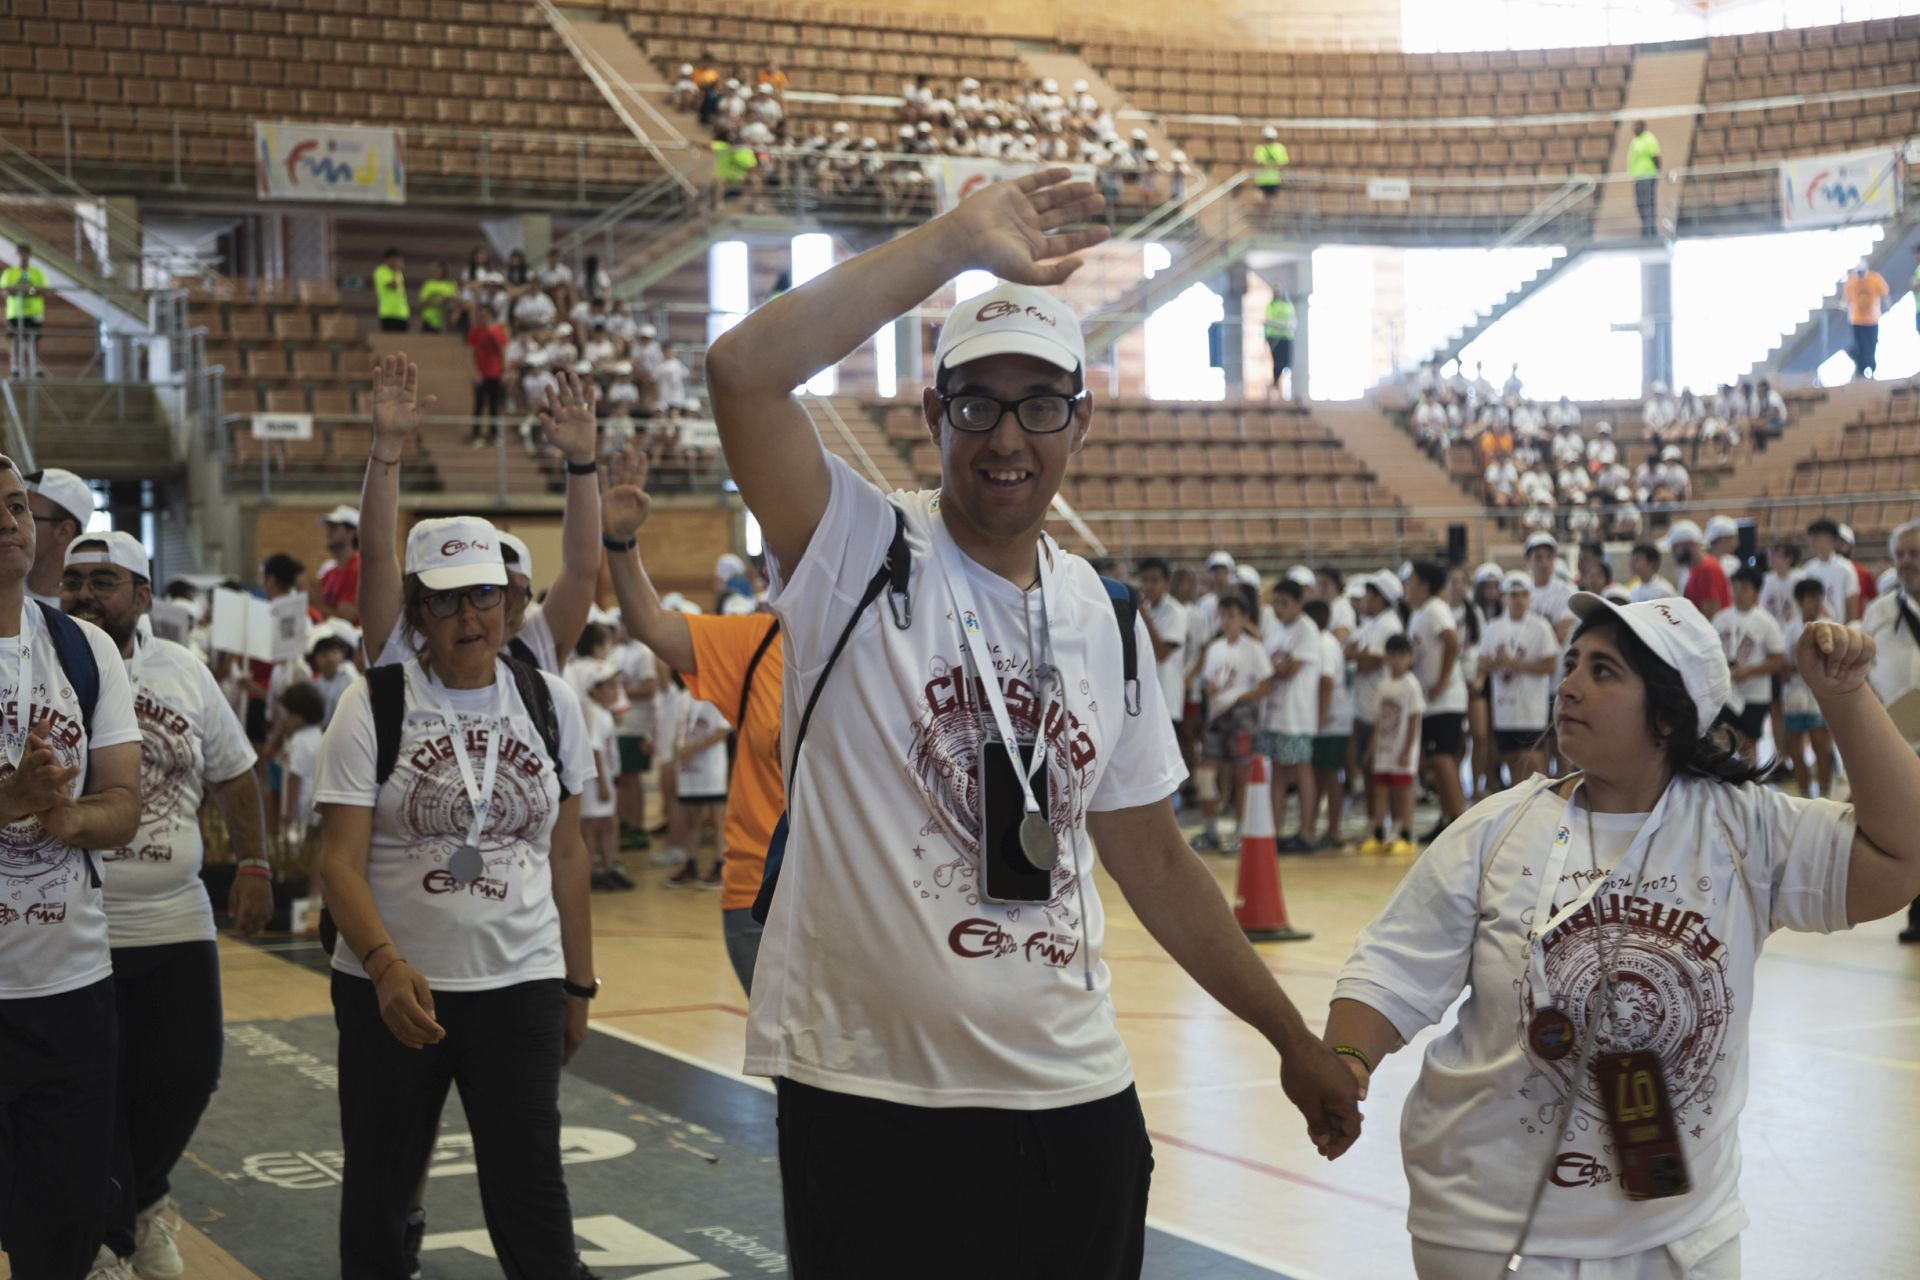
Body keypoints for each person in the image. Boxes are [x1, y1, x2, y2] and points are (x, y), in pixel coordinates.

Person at [704, 169, 1361, 1272]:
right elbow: (742, 371)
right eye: (977, 403)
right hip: (873, 1095)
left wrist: (1288, 1036)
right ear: (934, 415)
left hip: (1072, 1096)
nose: (1007, 437)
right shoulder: (856, 549)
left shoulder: (1104, 615)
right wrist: (954, 242)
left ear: (1079, 421)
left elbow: (1154, 858)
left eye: (1040, 404)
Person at [1325, 590, 1920, 1278]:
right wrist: (1348, 1061)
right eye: (1571, 664)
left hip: (1679, 1240)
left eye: (1603, 671)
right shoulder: (1498, 829)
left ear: (1667, 714)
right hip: (1490, 1232)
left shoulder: (1744, 828)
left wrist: (1845, 697)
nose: (1569, 686)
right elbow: (1391, 969)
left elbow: (1904, 856)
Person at [314, 516, 599, 1280]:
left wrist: (577, 986)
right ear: (416, 611)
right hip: (391, 992)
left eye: (483, 595)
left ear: (510, 601)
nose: (468, 616)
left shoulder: (550, 702)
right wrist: (383, 967)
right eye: (444, 600)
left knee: (532, 1190)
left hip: (520, 984)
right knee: (379, 1186)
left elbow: (567, 854)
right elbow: (338, 862)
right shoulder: (372, 703)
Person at [54, 530, 268, 1280]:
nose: (83, 594)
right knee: (96, 1092)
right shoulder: (44, 662)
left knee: (188, 1074)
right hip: (78, 924)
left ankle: (143, 1200)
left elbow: (235, 774)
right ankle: (109, 1238)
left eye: (102, 581)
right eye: (73, 580)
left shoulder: (183, 670)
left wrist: (255, 863)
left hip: (176, 916)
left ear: (143, 596)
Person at [0, 455, 143, 1280]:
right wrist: (8, 801)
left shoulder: (83, 650)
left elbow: (122, 806)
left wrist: (67, 816)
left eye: (16, 506)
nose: (7, 522)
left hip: (71, 991)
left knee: (62, 1236)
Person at [600, 450, 784, 987]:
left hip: (855, 899)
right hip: (761, 893)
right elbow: (650, 624)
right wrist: (620, 543)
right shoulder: (756, 643)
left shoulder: (878, 650)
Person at [1861, 519, 1920, 940]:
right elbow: (1861, 675)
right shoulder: (1879, 613)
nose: (1906, 562)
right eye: (1900, 554)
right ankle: (1918, 915)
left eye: (1915, 553)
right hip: (1900, 736)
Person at [1196, 592, 1272, 852]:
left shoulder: (1253, 648)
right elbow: (1208, 680)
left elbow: (1265, 686)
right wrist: (1210, 690)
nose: (1227, 621)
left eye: (1232, 615)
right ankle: (1210, 829)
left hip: (1241, 714)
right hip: (1217, 714)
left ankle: (1242, 830)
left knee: (1242, 774)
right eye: (1223, 615)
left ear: (1244, 618)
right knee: (1206, 772)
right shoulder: (1215, 648)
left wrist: (1239, 697)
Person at [1404, 563, 1467, 841]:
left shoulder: (1434, 609)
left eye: (1411, 581)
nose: (1406, 587)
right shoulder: (1417, 614)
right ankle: (1446, 817)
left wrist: (1441, 681)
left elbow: (1452, 642)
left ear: (1424, 585)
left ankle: (1459, 822)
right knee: (1434, 761)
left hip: (1446, 699)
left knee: (1443, 759)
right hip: (1431, 701)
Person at [1479, 571, 1558, 788]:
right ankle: (1520, 805)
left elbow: (1550, 665)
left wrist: (1514, 663)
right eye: (1514, 595)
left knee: (1533, 759)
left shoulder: (1541, 626)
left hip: (1531, 709)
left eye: (1524, 595)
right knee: (1511, 759)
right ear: (1504, 598)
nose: (1519, 600)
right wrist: (1498, 662)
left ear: (1530, 598)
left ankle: (1542, 804)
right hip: (1504, 708)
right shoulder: (1494, 626)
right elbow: (1482, 662)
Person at [1261, 579, 1321, 852]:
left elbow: (1288, 669)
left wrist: (1271, 669)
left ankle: (1306, 831)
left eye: (1284, 603)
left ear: (1299, 603)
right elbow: (1273, 666)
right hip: (1275, 712)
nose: (1278, 608)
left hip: (1296, 714)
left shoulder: (1306, 628)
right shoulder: (1276, 629)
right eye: (1275, 602)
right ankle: (1276, 830)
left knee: (1301, 768)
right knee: (1278, 771)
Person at [1714, 567, 1786, 763]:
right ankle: (1724, 779)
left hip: (1755, 693)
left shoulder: (1766, 622)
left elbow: (1778, 659)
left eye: (1744, 588)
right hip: (1726, 692)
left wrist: (1750, 671)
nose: (1738, 593)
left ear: (1756, 592)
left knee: (1748, 743)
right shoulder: (1721, 618)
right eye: (1735, 587)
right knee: (1721, 740)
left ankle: (1750, 778)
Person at [566, 657, 624, 892]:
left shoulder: (602, 712)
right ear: (594, 690)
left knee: (607, 823)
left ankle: (609, 868)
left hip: (606, 777)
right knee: (591, 826)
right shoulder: (594, 713)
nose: (615, 692)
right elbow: (595, 750)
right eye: (609, 687)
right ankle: (591, 873)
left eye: (616, 686)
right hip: (596, 780)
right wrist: (602, 784)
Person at [1361, 634, 1422, 856]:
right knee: (1381, 791)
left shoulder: (1411, 685)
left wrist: (1407, 750)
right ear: (1386, 657)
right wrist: (1371, 748)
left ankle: (1406, 833)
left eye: (1401, 656)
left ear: (1410, 658)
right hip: (1384, 750)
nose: (1396, 660)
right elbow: (1379, 720)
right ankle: (1379, 832)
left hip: (1401, 750)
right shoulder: (1383, 685)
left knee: (1403, 792)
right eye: (1392, 655)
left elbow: (1414, 719)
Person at [1304, 597, 1350, 849]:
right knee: (1320, 774)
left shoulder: (1324, 643)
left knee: (1330, 773)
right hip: (1326, 720)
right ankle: (1314, 827)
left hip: (1331, 721)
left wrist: (1319, 719)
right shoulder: (1322, 641)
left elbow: (1327, 682)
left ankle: (1334, 829)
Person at [23, 467, 93, 607]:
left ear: (64, 531)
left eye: (28, 516)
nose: (11, 523)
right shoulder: (6, 590)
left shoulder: (85, 609)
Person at [278, 680, 326, 842]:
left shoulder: (299, 740)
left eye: (288, 715)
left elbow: (295, 778)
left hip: (300, 806)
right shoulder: (318, 734)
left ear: (299, 717)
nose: (285, 719)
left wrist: (288, 814)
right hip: (314, 804)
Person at [1802, 517, 1861, 623]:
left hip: (1838, 627)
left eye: (1816, 538)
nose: (1812, 542)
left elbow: (1852, 602)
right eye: (1810, 538)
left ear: (1830, 539)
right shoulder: (1807, 569)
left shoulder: (1845, 568)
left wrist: (1848, 628)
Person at [466, 304, 509, 448]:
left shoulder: (497, 331)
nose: (483, 317)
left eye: (485, 315)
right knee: (478, 405)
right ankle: (476, 434)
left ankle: (494, 434)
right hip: (481, 374)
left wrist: (504, 371)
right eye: (481, 315)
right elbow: (470, 352)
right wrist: (474, 372)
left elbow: (502, 352)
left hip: (495, 373)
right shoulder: (475, 331)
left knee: (494, 405)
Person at [4, 243, 48, 378]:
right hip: (15, 312)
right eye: (20, 253)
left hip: (33, 312)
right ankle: (15, 368)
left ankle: (36, 368)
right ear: (16, 255)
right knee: (16, 339)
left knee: (34, 339)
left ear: (29, 255)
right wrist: (22, 290)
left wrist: (29, 291)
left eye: (25, 253)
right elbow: (6, 291)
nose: (23, 256)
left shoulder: (37, 273)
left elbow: (42, 290)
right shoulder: (9, 273)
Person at [1671, 519, 1729, 619]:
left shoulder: (1707, 569)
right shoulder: (1694, 570)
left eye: (1675, 547)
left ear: (1690, 545)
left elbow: (1711, 613)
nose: (1673, 553)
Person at [1843, 264, 1889, 379]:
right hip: (1857, 321)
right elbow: (1846, 300)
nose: (1861, 275)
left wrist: (1888, 307)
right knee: (1860, 346)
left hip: (1872, 320)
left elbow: (1884, 294)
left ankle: (1871, 369)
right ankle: (1861, 369)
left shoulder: (1874, 279)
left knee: (1871, 345)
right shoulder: (1851, 282)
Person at [317, 505, 362, 624]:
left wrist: (311, 600)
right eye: (328, 527)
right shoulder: (329, 573)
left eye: (334, 527)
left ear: (351, 532)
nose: (328, 532)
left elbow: (345, 621)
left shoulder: (357, 569)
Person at [1628, 121, 1661, 237]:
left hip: (1647, 176)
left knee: (1647, 203)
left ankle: (1650, 230)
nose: (1634, 129)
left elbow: (1655, 157)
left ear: (1643, 127)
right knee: (1640, 203)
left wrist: (1657, 173)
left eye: (1637, 126)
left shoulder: (1649, 139)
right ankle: (1646, 226)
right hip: (1638, 177)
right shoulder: (1635, 140)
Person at [1264, 291, 1296, 401]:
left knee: (1287, 363)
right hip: (1274, 337)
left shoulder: (1288, 305)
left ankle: (1284, 390)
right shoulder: (1271, 306)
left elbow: (1293, 320)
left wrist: (1288, 325)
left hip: (1286, 337)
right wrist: (1279, 325)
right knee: (1277, 363)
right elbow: (1268, 319)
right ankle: (1276, 385)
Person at [372, 247, 409, 333]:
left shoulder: (398, 273)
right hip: (388, 313)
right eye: (396, 260)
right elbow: (393, 285)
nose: (398, 263)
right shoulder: (381, 271)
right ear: (389, 259)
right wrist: (397, 270)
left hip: (402, 314)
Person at [416, 261, 458, 335]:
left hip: (445, 321)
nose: (435, 272)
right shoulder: (428, 284)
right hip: (429, 320)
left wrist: (445, 298)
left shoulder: (450, 284)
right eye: (434, 271)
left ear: (443, 271)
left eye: (438, 270)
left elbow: (456, 299)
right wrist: (435, 302)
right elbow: (421, 302)